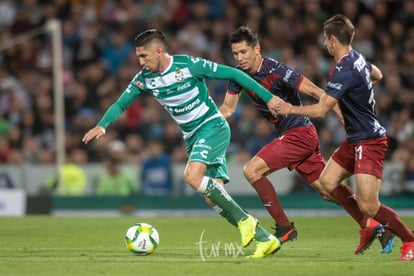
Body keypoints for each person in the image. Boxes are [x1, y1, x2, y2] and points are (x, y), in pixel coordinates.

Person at [82, 29, 282, 258]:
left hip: (212, 126)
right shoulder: (144, 79)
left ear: (159, 51)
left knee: (191, 176)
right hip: (192, 137)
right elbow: (121, 104)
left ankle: (245, 221)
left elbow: (235, 75)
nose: (140, 62)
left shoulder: (188, 65)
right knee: (211, 196)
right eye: (138, 56)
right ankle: (265, 239)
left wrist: (269, 97)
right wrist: (102, 125)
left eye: (144, 56)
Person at [220, 26, 394, 254]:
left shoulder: (276, 70)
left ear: (257, 49)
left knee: (252, 170)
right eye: (235, 53)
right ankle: (374, 225)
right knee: (326, 190)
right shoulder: (238, 75)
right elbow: (228, 108)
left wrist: (344, 118)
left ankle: (284, 227)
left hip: (298, 133)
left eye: (243, 52)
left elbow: (317, 92)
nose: (239, 58)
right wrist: (203, 118)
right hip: (295, 134)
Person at [275, 14, 414, 261]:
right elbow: (379, 74)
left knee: (369, 206)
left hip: (369, 141)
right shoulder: (357, 57)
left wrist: (289, 109)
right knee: (326, 182)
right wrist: (361, 88)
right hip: (355, 140)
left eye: (325, 40)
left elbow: (321, 110)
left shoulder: (343, 69)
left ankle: (409, 240)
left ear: (331, 39)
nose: (325, 44)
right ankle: (367, 227)